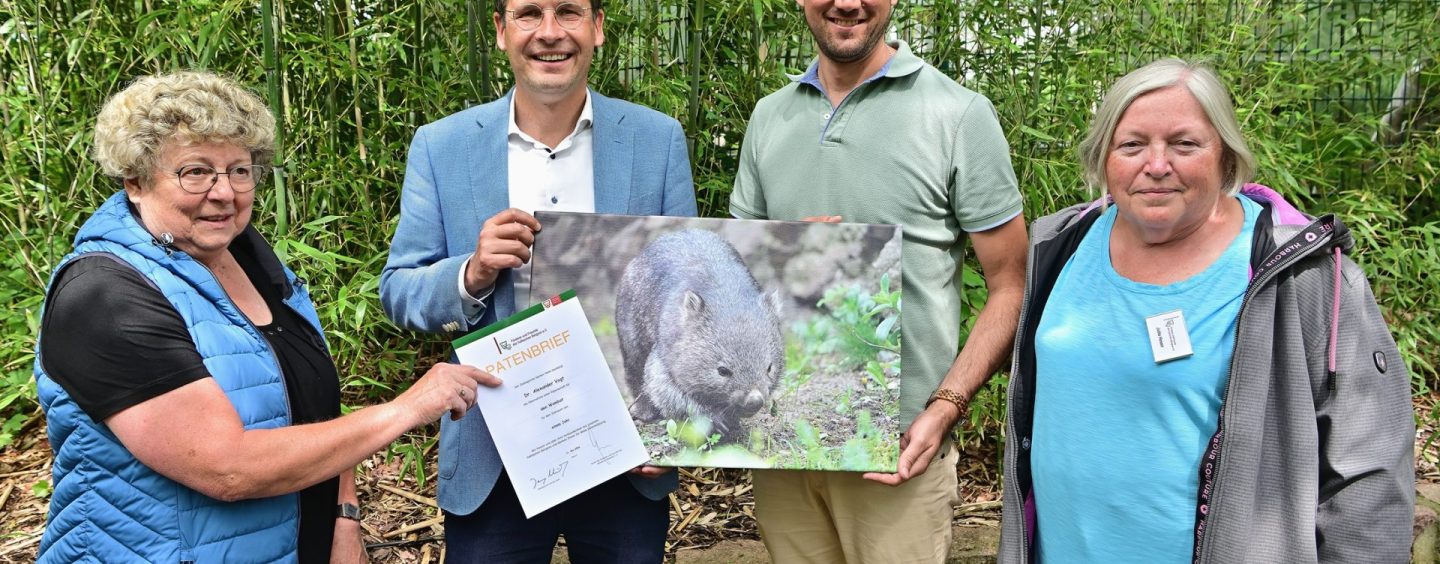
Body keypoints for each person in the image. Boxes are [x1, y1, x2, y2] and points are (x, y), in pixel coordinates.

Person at [33, 71, 497, 563]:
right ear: (136, 181)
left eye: (239, 170)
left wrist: (344, 520)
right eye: (195, 171)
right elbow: (227, 467)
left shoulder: (252, 261)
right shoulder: (104, 296)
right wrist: (406, 408)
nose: (224, 192)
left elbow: (315, 405)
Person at [998, 58, 1415, 563]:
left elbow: (1369, 468)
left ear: (1225, 156)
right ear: (1104, 157)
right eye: (1131, 145)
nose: (1155, 165)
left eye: (1184, 144)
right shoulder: (1059, 244)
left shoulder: (1299, 272)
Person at [377, 0, 697, 561]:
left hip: (624, 447)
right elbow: (399, 291)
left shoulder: (656, 140)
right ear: (501, 31)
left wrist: (673, 428)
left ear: (597, 28)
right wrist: (472, 273)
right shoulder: (442, 146)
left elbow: (683, 281)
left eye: (569, 12)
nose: (550, 33)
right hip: (493, 451)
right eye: (529, 14)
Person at [728, 0, 1028, 561]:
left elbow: (1011, 283)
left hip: (898, 454)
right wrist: (780, 248)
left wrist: (944, 407)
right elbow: (739, 279)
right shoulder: (770, 117)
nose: (846, 3)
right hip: (783, 444)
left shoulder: (957, 113)